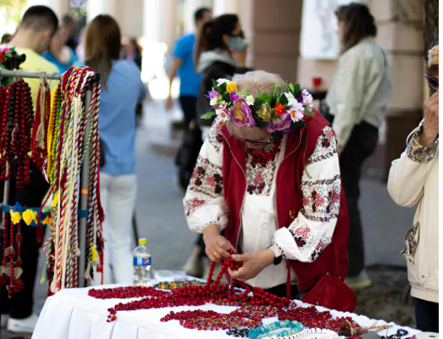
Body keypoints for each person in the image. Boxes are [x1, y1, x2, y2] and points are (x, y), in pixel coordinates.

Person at [183, 70, 349, 298]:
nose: (246, 147)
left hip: (300, 280)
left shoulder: (315, 135)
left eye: (255, 141)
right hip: (242, 273)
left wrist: (269, 255)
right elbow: (204, 189)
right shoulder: (226, 124)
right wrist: (211, 235)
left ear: (279, 125)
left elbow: (319, 216)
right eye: (239, 139)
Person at [0, 5, 59, 333]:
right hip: (30, 168)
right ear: (46, 33)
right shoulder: (49, 70)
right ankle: (19, 313)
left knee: (4, 230)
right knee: (28, 237)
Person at [325, 2, 393, 289]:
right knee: (348, 198)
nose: (338, 29)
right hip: (366, 131)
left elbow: (348, 107)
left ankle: (353, 271)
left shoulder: (356, 54)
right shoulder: (376, 51)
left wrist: (333, 145)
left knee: (344, 202)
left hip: (351, 132)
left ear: (351, 24)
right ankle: (353, 270)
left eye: (341, 23)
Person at [78, 15, 146, 284]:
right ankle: (127, 300)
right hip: (126, 168)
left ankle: (100, 303)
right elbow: (141, 96)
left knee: (97, 241)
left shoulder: (81, 72)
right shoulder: (131, 71)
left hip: (93, 168)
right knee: (122, 241)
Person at [182, 13, 251, 279]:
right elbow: (241, 107)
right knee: (219, 202)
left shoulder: (212, 63)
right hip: (219, 146)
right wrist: (243, 65)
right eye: (240, 33)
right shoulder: (220, 69)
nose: (244, 39)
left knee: (216, 202)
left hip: (211, 143)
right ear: (227, 38)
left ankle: (198, 256)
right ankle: (204, 255)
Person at [387, 39, 439, 332]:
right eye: (434, 83)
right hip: (430, 282)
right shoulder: (432, 124)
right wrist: (426, 136)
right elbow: (401, 193)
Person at [165, 7, 212, 126]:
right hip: (189, 94)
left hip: (207, 94)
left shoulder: (210, 42)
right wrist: (169, 95)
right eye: (208, 19)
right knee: (192, 129)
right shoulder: (185, 41)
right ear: (199, 21)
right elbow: (173, 68)